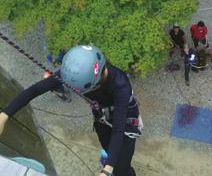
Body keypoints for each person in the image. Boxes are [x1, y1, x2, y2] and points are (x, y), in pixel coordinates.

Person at [0, 45, 142, 176]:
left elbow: (118, 129)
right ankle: (111, 158)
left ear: (95, 82)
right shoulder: (78, 74)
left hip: (125, 121)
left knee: (122, 169)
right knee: (108, 148)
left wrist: (107, 170)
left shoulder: (120, 85)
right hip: (101, 117)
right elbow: (35, 90)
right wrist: (4, 115)